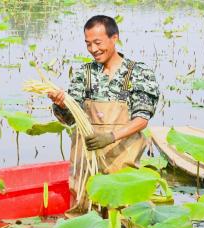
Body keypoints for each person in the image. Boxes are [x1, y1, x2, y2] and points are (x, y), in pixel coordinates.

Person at [48, 15, 159, 212]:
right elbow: (70, 120)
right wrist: (62, 105)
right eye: (88, 44)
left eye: (97, 43)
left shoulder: (139, 73)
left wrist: (110, 137)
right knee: (83, 214)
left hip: (121, 160)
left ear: (114, 38)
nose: (93, 49)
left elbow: (142, 119)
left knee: (124, 215)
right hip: (86, 163)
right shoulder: (85, 73)